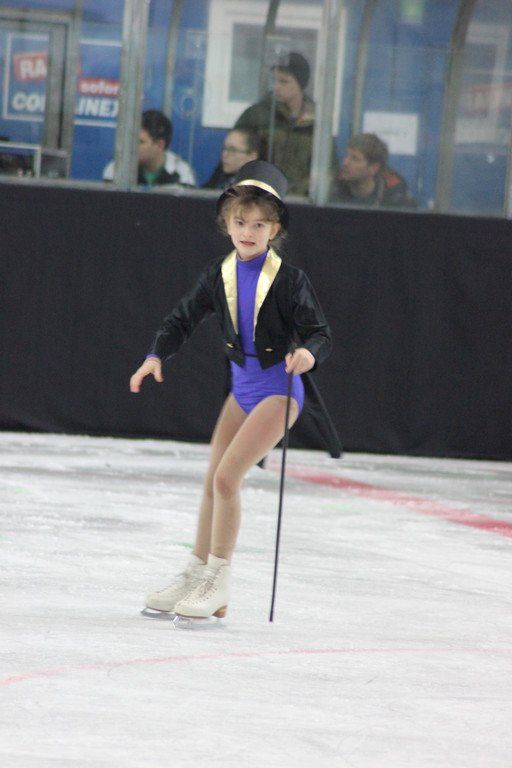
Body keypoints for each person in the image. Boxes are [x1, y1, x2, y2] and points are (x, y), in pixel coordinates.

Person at [129, 159, 341, 621]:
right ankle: (196, 571)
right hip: (242, 390)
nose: (248, 231)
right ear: (226, 223)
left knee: (227, 480)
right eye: (240, 222)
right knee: (213, 481)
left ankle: (218, 579)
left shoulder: (289, 280)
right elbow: (181, 319)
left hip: (279, 391)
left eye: (259, 224)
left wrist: (308, 354)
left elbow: (320, 333)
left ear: (274, 229)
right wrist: (155, 356)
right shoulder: (218, 274)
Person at [234, 52, 338, 197]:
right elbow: (236, 156)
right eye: (274, 80)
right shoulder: (256, 115)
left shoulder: (317, 123)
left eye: (284, 82)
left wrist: (300, 192)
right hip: (260, 199)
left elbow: (328, 168)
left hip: (303, 201)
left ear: (300, 84)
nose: (276, 87)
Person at [103, 109, 196, 188]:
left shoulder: (182, 174)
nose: (132, 147)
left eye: (140, 142)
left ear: (159, 145)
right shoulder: (116, 169)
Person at [334, 133, 415, 208]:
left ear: (374, 168)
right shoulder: (333, 186)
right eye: (347, 155)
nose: (345, 163)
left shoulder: (395, 196)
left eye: (355, 159)